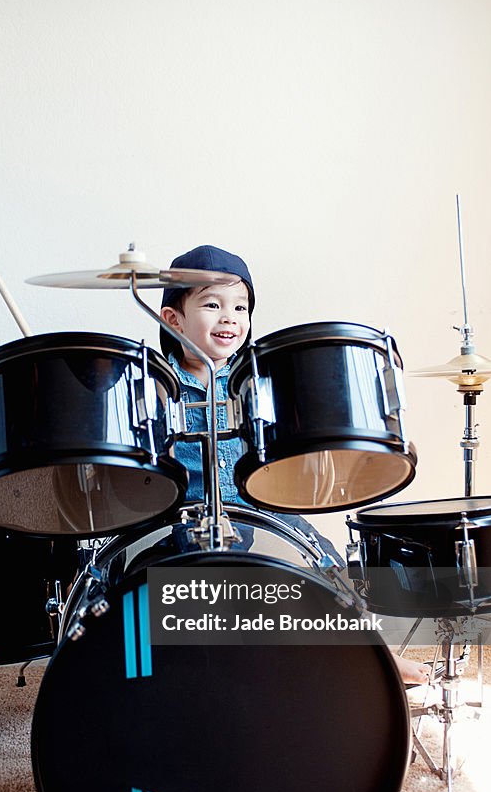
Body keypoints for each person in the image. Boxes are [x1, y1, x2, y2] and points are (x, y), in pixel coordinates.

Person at [160, 244, 429, 686]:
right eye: (212, 304)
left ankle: (373, 652)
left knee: (324, 561)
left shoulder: (255, 378)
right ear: (174, 319)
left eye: (241, 306)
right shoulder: (159, 384)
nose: (230, 317)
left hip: (260, 504)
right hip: (188, 512)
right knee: (199, 584)